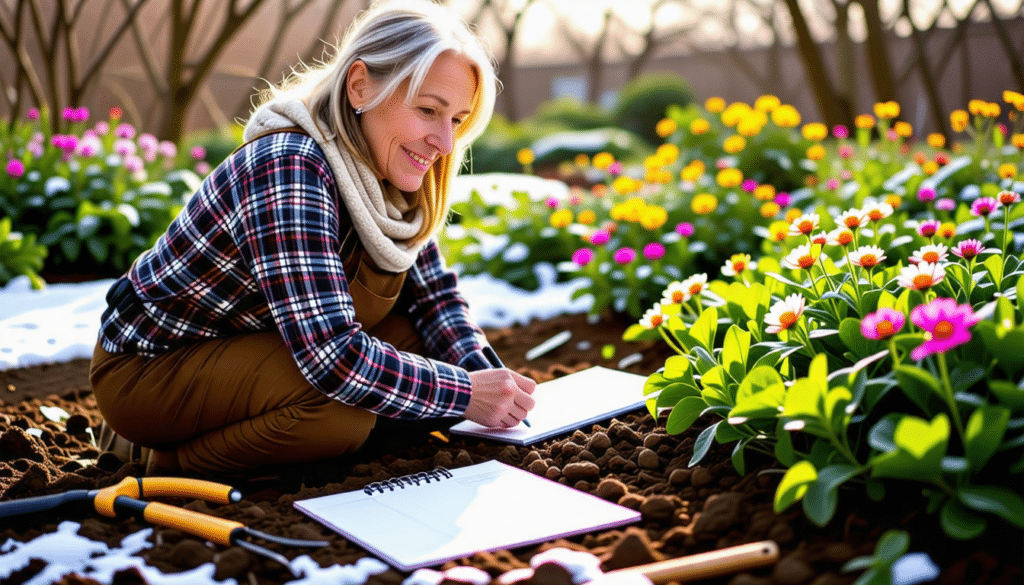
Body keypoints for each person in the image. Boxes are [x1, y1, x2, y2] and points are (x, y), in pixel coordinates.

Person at [89, 0, 536, 477]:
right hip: (154, 370)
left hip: (266, 346)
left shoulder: (392, 165)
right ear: (360, 85)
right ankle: (162, 459)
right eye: (429, 110)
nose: (445, 143)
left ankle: (310, 439)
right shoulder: (289, 165)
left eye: (457, 120)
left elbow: (434, 298)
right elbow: (331, 358)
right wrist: (464, 394)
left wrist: (492, 386)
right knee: (340, 414)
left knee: (422, 349)